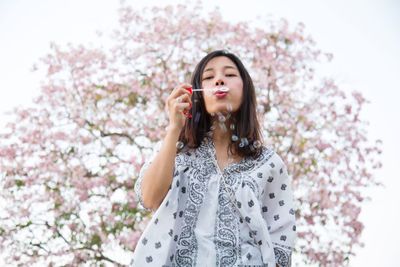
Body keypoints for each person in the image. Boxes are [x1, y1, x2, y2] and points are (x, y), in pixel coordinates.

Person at [130, 50, 296, 267]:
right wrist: (174, 129)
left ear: (245, 90)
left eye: (229, 74)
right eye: (208, 77)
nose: (219, 80)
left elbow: (281, 242)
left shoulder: (269, 163)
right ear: (197, 94)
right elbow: (150, 197)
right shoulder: (177, 150)